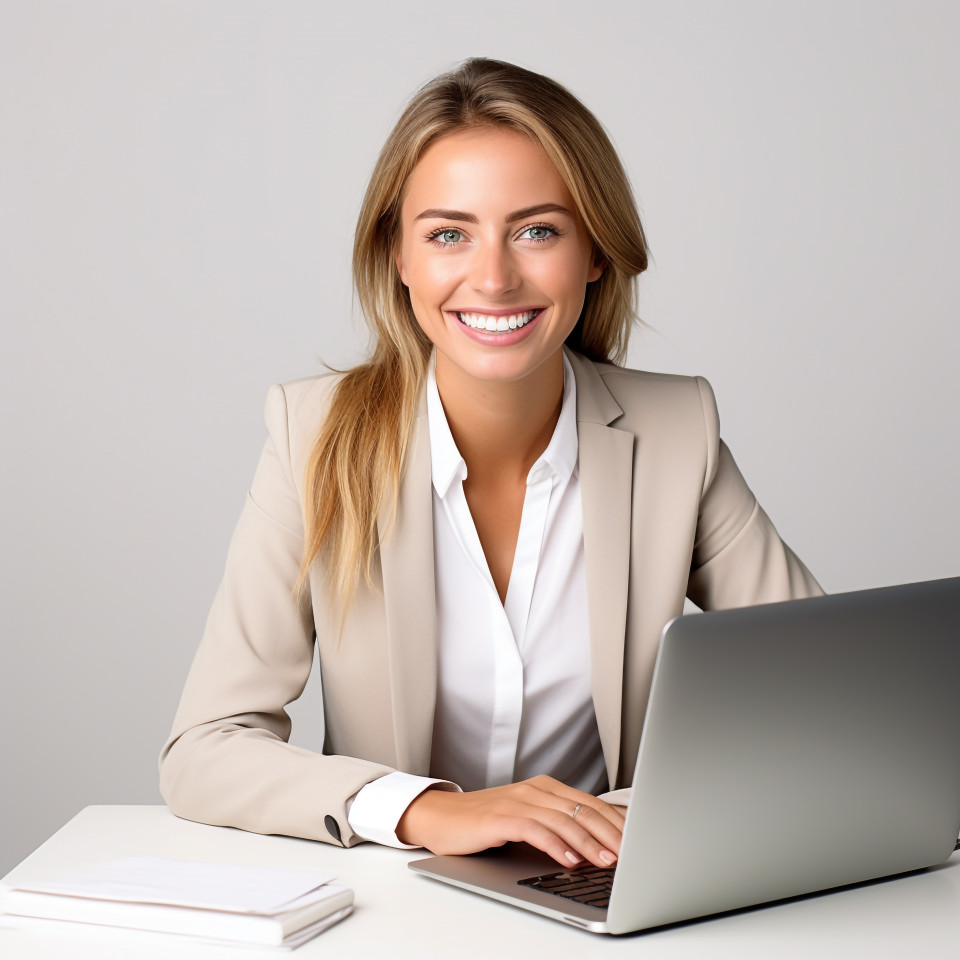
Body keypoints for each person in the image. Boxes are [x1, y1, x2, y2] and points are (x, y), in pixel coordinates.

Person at [159, 57, 822, 872]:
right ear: (398, 259)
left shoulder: (676, 430)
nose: (495, 277)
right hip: (398, 903)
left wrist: (627, 817)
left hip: (602, 893)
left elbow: (826, 701)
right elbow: (206, 748)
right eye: (448, 234)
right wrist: (423, 810)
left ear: (596, 253)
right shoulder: (314, 435)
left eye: (538, 230)